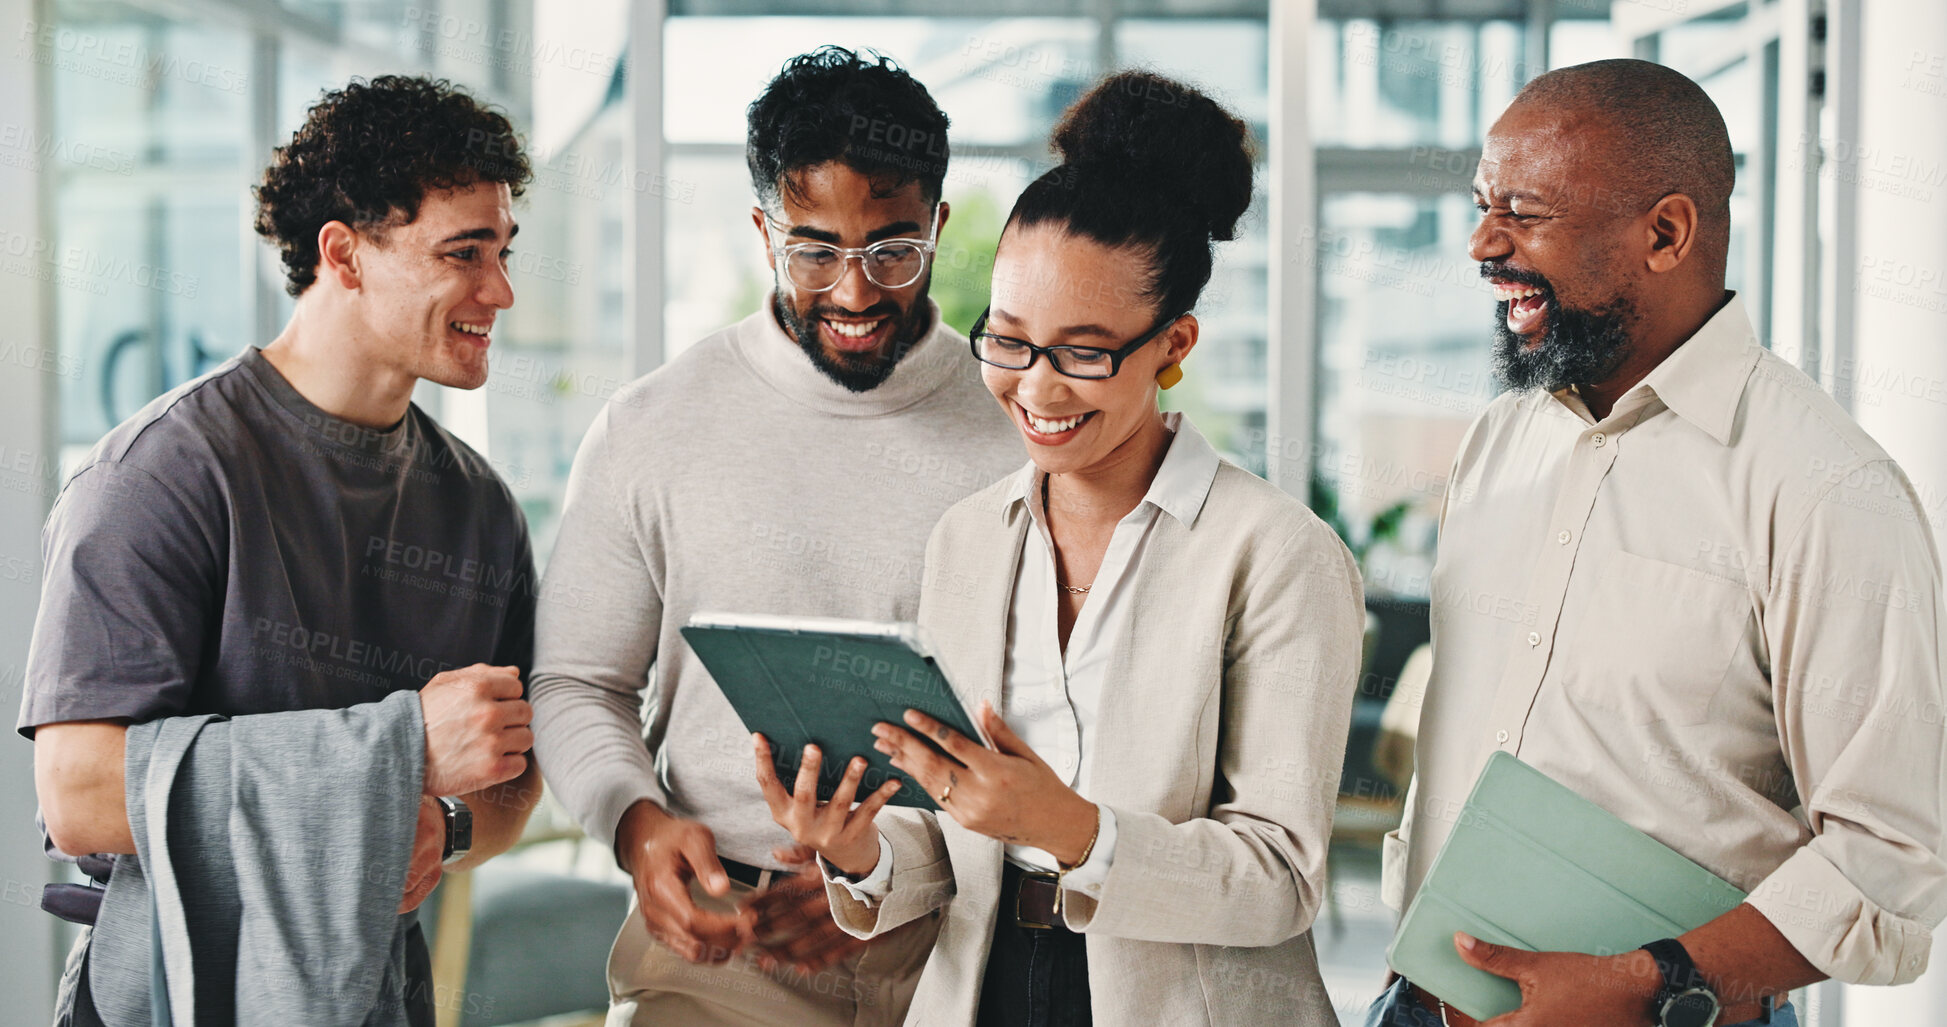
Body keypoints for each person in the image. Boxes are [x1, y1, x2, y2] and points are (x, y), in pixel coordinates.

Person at [758, 70, 1367, 1026]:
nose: (1036, 389)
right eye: (1006, 342)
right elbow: (962, 838)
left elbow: (1277, 878)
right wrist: (856, 847)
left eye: (1083, 352)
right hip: (984, 986)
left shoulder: (1277, 554)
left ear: (1174, 344)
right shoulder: (968, 538)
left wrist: (1070, 830)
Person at [1369, 59, 1947, 1027]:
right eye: (1482, 203)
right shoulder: (1499, 442)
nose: (1482, 242)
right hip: (1421, 1005)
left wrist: (1650, 983)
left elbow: (1892, 853)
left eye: (1524, 211)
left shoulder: (1826, 489)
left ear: (1666, 232)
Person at [22, 75, 541, 1026]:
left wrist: (442, 825)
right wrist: (393, 758)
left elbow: (510, 769)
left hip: (374, 995)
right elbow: (79, 791)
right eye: (463, 254)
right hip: (166, 995)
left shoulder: (480, 510)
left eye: (503, 251)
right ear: (342, 254)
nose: (499, 291)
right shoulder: (159, 475)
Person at [526, 46, 1022, 1026]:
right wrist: (635, 822)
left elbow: (1066, 719)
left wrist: (884, 878)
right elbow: (578, 682)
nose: (852, 291)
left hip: (961, 944)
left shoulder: (1018, 429)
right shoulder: (651, 426)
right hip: (724, 943)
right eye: (814, 250)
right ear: (762, 233)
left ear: (938, 225)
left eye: (891, 248)